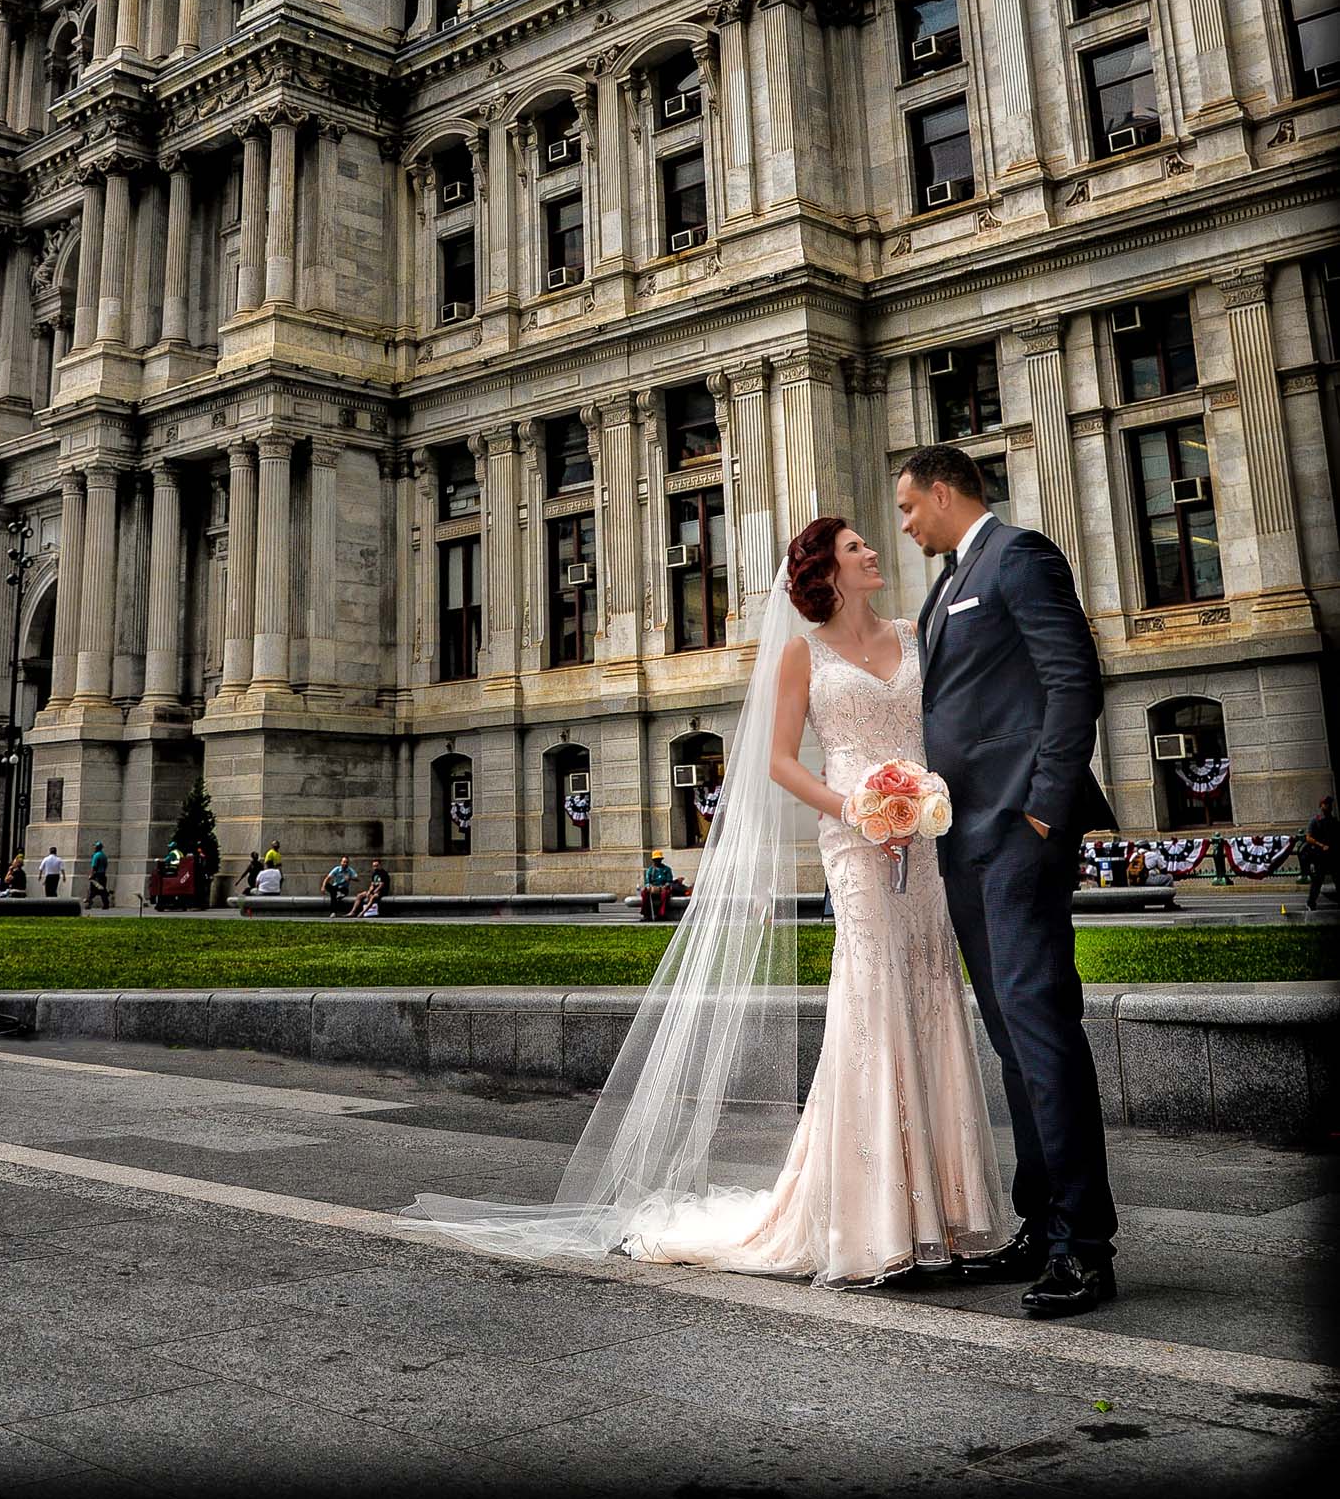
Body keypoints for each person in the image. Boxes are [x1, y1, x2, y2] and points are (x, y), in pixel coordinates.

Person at [405, 510, 1014, 1293]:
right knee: (874, 1004)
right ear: (825, 569)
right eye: (856, 546)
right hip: (855, 843)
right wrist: (857, 810)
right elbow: (779, 763)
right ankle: (877, 1220)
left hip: (923, 838)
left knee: (933, 995)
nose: (873, 551)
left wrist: (920, 801)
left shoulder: (914, 634)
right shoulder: (802, 652)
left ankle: (951, 1214)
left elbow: (943, 729)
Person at [897, 444, 1117, 1317]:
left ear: (944, 493)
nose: (905, 521)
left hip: (1018, 834)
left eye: (910, 506)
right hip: (962, 841)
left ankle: (1084, 1248)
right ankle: (1040, 1225)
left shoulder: (1017, 556)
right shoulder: (947, 583)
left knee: (1040, 1029)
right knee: (1009, 1038)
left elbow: (1072, 682)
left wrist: (1041, 811)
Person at [1305, 797, 1338, 911]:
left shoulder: (1334, 821)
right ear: (1321, 805)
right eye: (1326, 804)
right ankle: (1311, 902)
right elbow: (1308, 838)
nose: (1328, 806)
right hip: (1319, 855)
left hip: (1332, 854)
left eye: (1329, 804)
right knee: (1317, 880)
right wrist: (1321, 845)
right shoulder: (1316, 820)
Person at [640, 850, 675, 922]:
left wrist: (664, 886)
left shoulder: (667, 869)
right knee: (644, 893)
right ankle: (646, 914)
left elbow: (669, 881)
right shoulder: (650, 870)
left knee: (665, 894)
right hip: (653, 888)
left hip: (663, 888)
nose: (657, 861)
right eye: (655, 860)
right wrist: (649, 886)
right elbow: (647, 881)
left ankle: (661, 914)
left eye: (659, 860)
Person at [86, 842, 111, 910]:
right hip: (103, 875)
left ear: (97, 847)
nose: (93, 848)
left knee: (92, 890)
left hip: (97, 875)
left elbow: (94, 866)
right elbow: (106, 865)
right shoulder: (104, 856)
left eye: (94, 847)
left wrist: (91, 875)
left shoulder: (96, 855)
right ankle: (106, 904)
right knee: (102, 890)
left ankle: (89, 902)